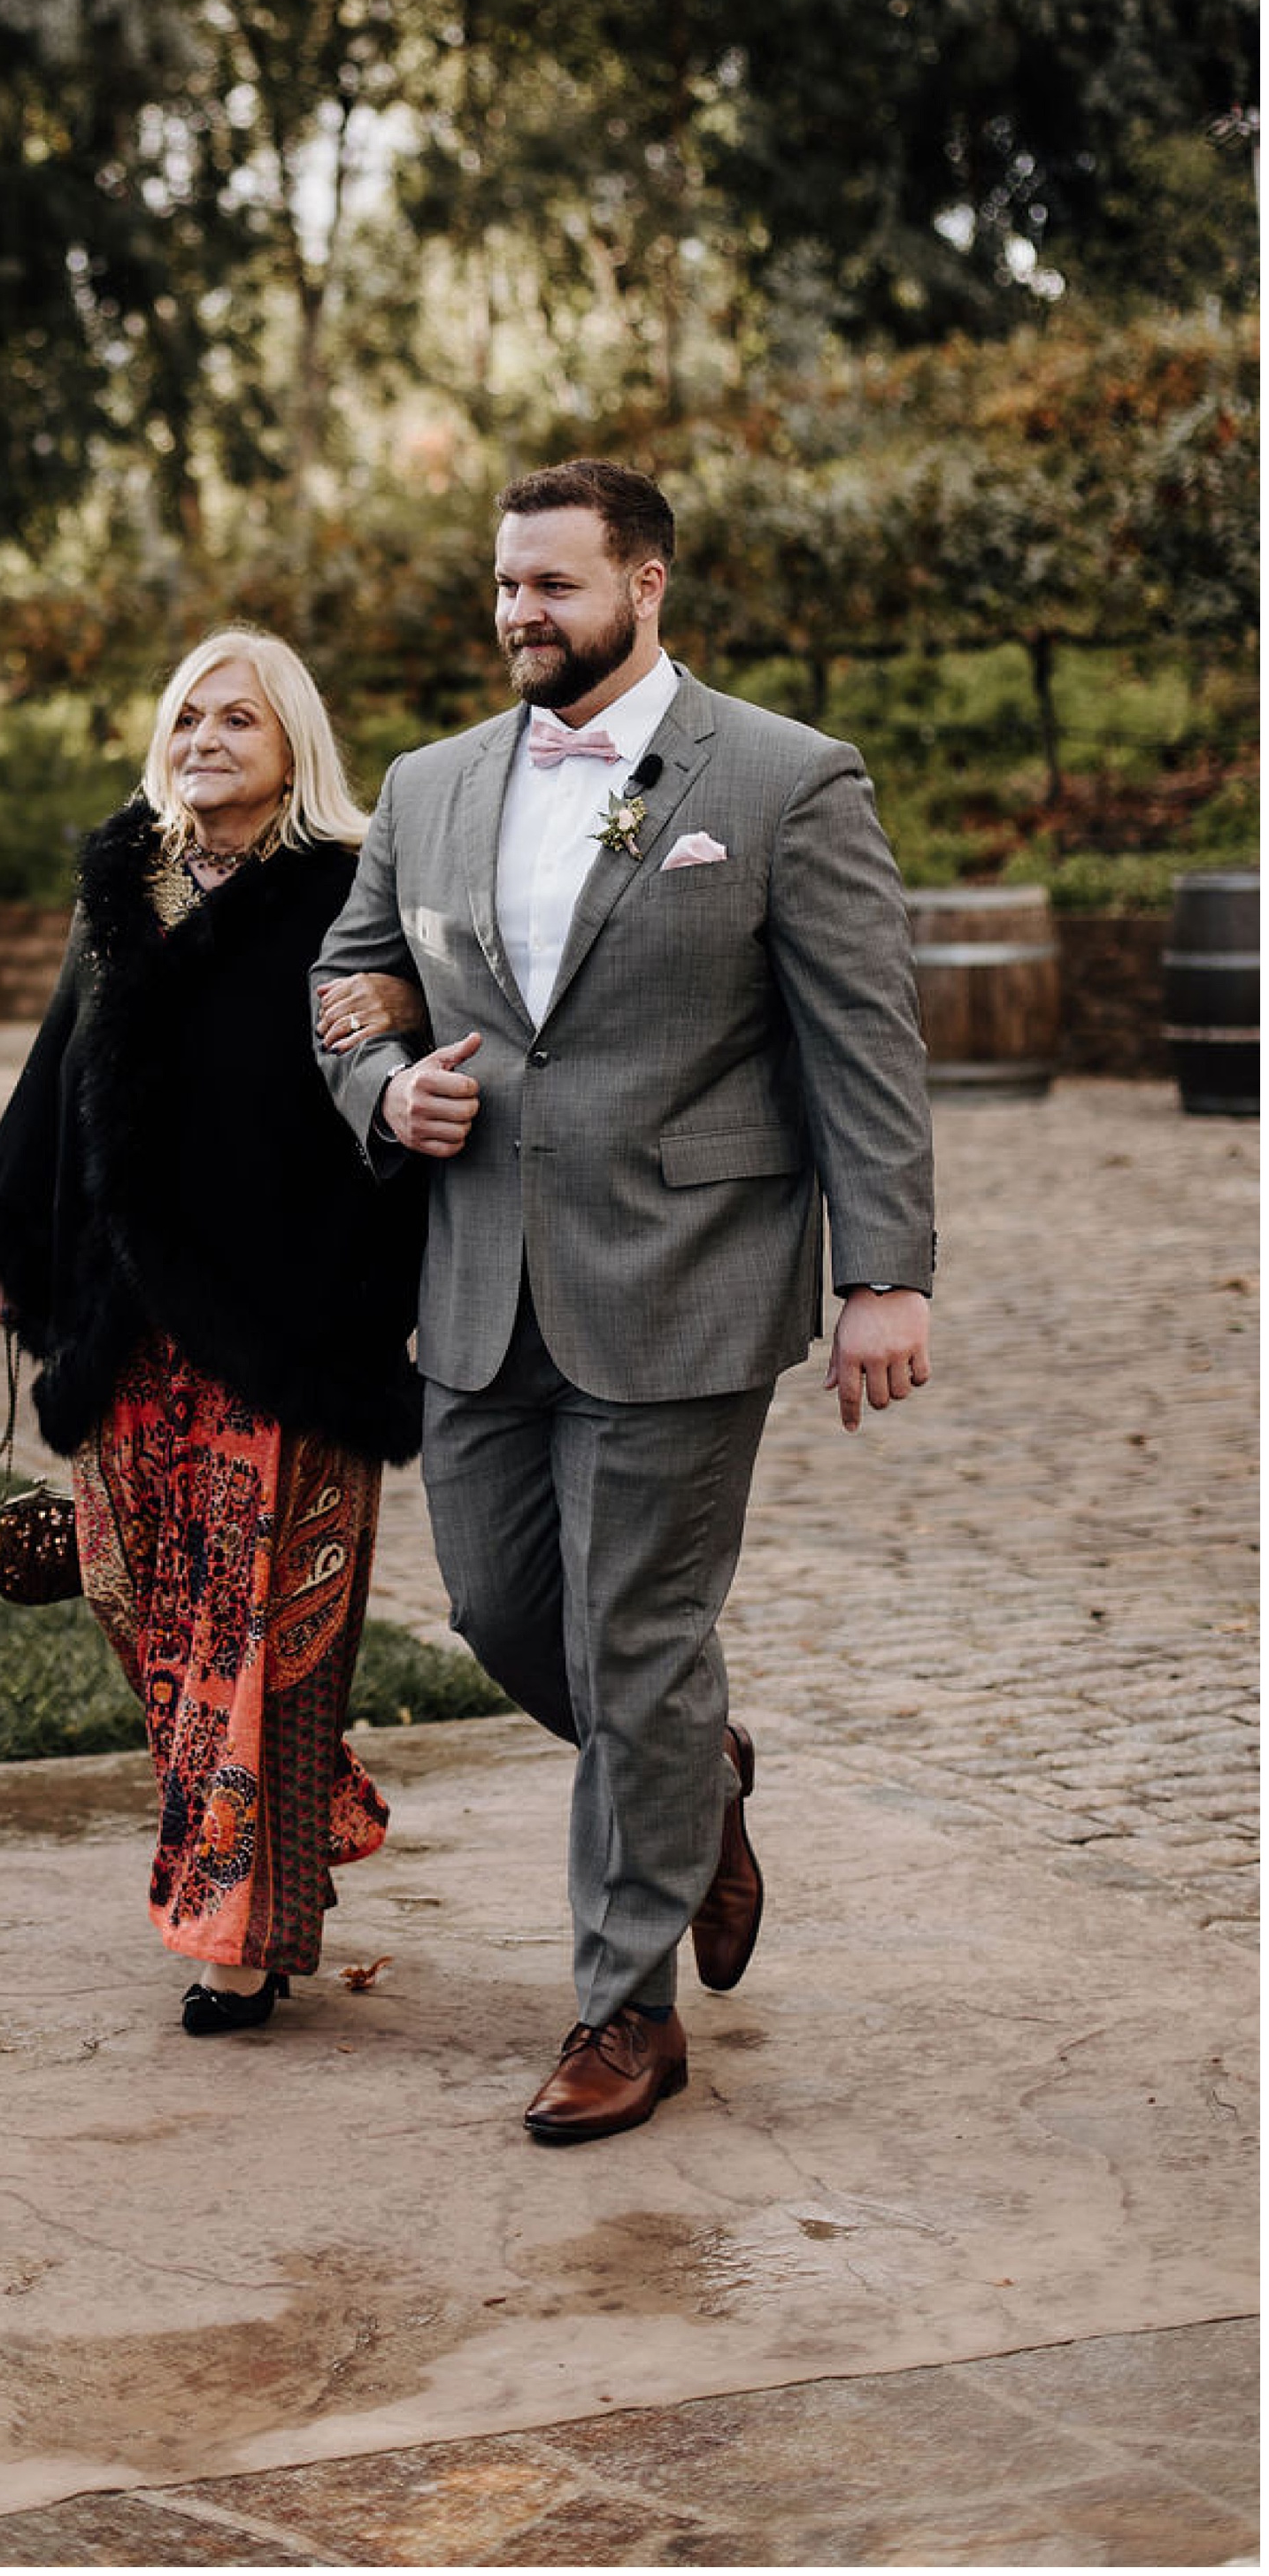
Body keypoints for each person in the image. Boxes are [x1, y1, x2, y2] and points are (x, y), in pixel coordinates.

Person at [313, 458, 935, 2147]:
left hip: (685, 1279)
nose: (520, 614)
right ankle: (697, 1777)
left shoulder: (786, 778)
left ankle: (626, 2009)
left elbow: (864, 1040)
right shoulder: (431, 783)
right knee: (507, 1612)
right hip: (476, 1281)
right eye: (505, 584)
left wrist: (884, 1272)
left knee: (637, 1639)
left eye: (555, 586)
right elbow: (350, 972)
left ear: (645, 585)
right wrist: (382, 1089)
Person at [0, 633, 427, 2034]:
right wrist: (7, 1237)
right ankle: (295, 1807)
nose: (207, 739)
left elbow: (415, 1047)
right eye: (189, 717)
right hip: (122, 1319)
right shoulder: (125, 887)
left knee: (250, 1627)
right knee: (134, 1599)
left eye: (239, 719)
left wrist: (403, 1004)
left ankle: (239, 1936)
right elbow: (61, 1060)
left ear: (292, 745)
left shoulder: (350, 892)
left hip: (286, 1317)